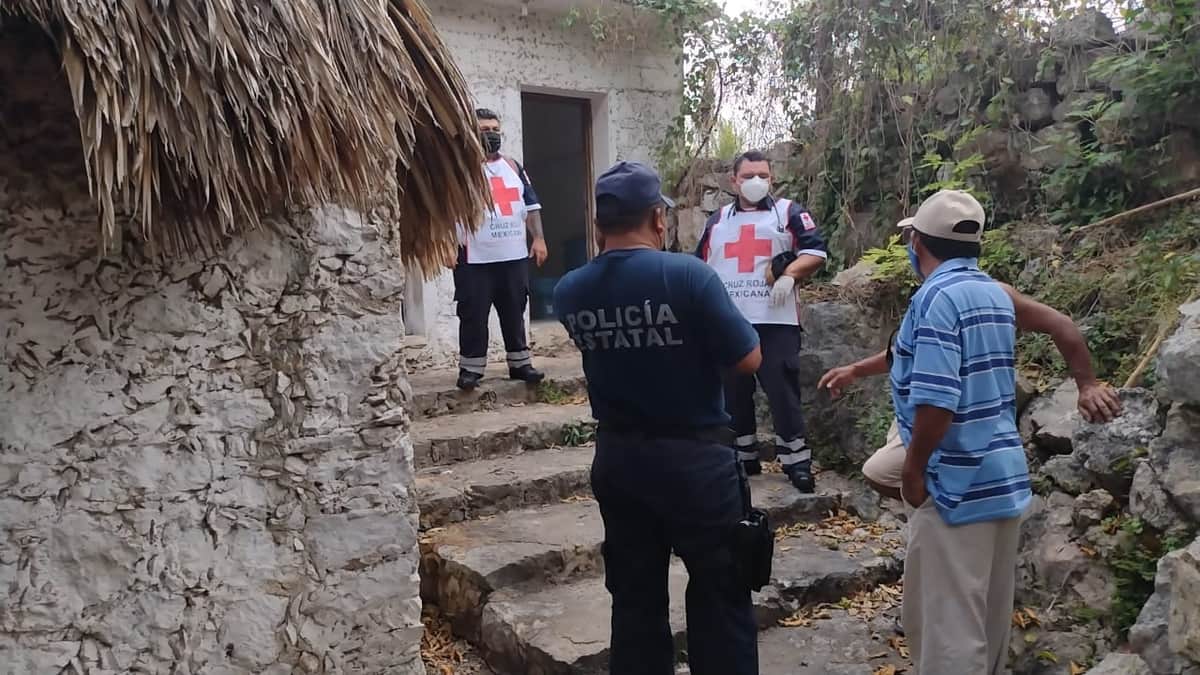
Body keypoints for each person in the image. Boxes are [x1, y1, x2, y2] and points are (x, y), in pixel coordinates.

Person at [554, 161, 762, 675]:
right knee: (721, 596)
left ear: (598, 224)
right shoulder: (687, 275)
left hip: (620, 461)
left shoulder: (569, 291)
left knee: (634, 602)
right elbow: (748, 358)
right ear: (657, 218)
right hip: (696, 463)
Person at [819, 219, 1123, 502]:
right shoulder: (967, 293)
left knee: (881, 472)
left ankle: (942, 505)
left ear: (919, 244)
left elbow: (938, 403)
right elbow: (901, 354)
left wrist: (1088, 386)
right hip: (956, 429)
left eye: (912, 238)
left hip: (954, 428)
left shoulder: (945, 299)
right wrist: (855, 370)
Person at [885, 189, 1031, 674]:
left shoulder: (935, 299)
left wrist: (913, 470)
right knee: (987, 628)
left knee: (948, 636)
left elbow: (937, 400)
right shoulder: (993, 292)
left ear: (919, 243)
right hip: (1003, 479)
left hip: (955, 488)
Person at [695, 149, 829, 493]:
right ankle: (744, 456)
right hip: (730, 320)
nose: (756, 182)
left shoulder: (788, 214)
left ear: (772, 178)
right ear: (733, 180)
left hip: (776, 320)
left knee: (782, 390)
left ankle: (796, 461)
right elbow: (701, 265)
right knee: (733, 392)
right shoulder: (718, 220)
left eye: (763, 175)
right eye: (748, 175)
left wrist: (789, 276)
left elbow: (816, 252)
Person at [450, 108, 549, 391]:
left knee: (514, 310)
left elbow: (531, 206)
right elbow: (445, 212)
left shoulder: (514, 167)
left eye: (494, 129)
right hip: (473, 256)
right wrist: (446, 245)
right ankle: (471, 369)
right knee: (473, 313)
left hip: (513, 257)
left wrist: (539, 239)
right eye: (483, 130)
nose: (490, 135)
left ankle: (520, 364)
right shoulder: (459, 170)